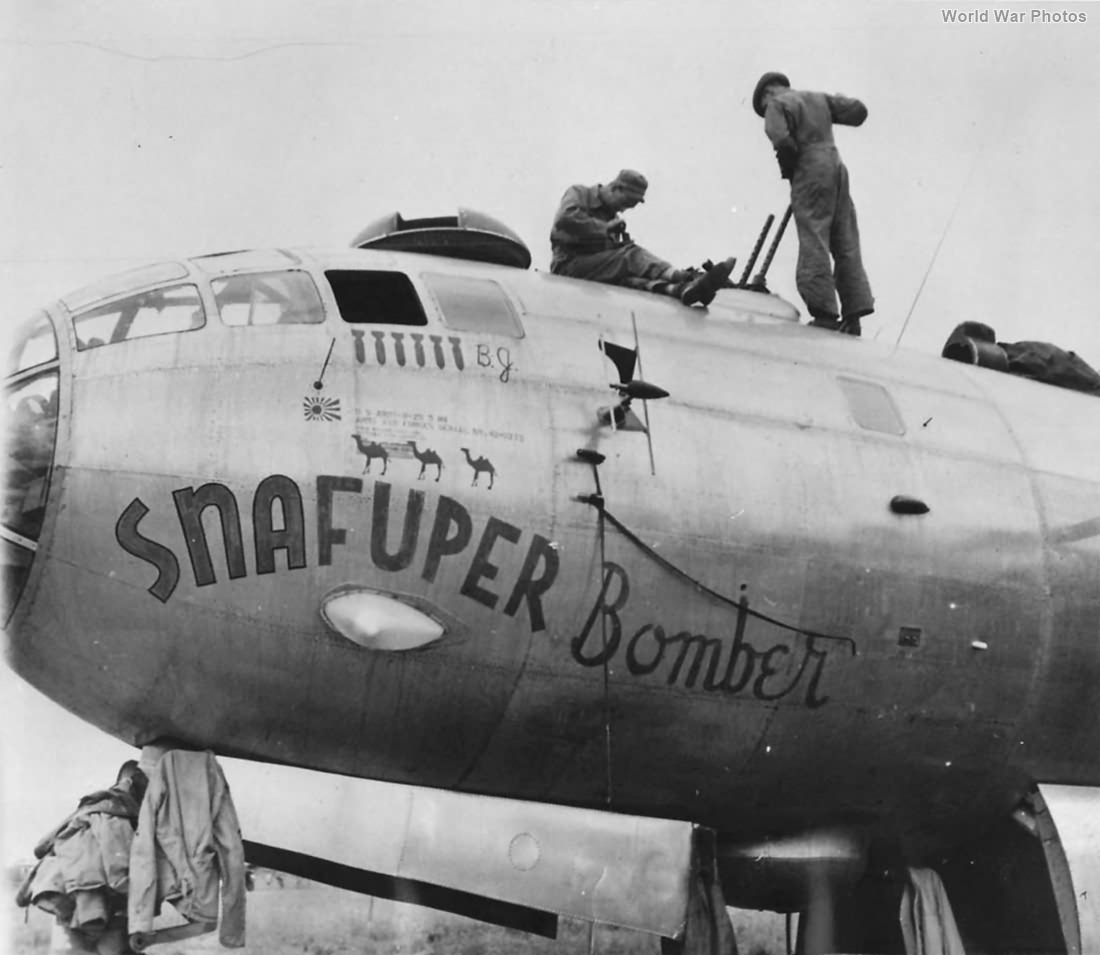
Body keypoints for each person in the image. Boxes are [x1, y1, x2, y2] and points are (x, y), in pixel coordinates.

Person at [752, 72, 874, 335]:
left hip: (809, 167)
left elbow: (782, 140)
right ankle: (854, 314)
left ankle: (825, 312)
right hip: (836, 166)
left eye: (761, 108)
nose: (764, 111)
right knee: (844, 238)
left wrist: (790, 170)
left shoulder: (776, 104)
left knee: (813, 235)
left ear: (766, 94)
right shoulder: (818, 98)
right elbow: (858, 113)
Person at [550, 169, 736, 307]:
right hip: (568, 265)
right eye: (626, 203)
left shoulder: (612, 216)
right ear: (616, 189)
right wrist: (605, 230)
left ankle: (682, 289)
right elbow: (565, 220)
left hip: (594, 269)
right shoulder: (579, 194)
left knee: (631, 279)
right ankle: (682, 276)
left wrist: (616, 243)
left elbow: (610, 254)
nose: (625, 209)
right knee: (631, 255)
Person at [16, 762, 148, 955]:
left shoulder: (92, 805)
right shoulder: (120, 812)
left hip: (63, 891)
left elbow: (42, 845)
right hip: (93, 897)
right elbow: (118, 865)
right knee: (110, 948)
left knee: (78, 949)